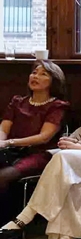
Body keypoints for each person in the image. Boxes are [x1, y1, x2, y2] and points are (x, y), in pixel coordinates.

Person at [1, 64, 81, 239]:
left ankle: (27, 215)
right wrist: (73, 141)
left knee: (65, 159)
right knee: (67, 169)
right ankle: (66, 237)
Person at [0, 60, 69, 211]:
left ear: (54, 81)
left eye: (43, 74)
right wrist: (1, 141)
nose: (35, 76)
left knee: (3, 177)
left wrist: (9, 142)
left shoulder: (57, 106)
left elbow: (44, 137)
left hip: (39, 154)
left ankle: (9, 227)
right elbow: (4, 128)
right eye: (34, 72)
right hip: (11, 151)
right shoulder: (17, 101)